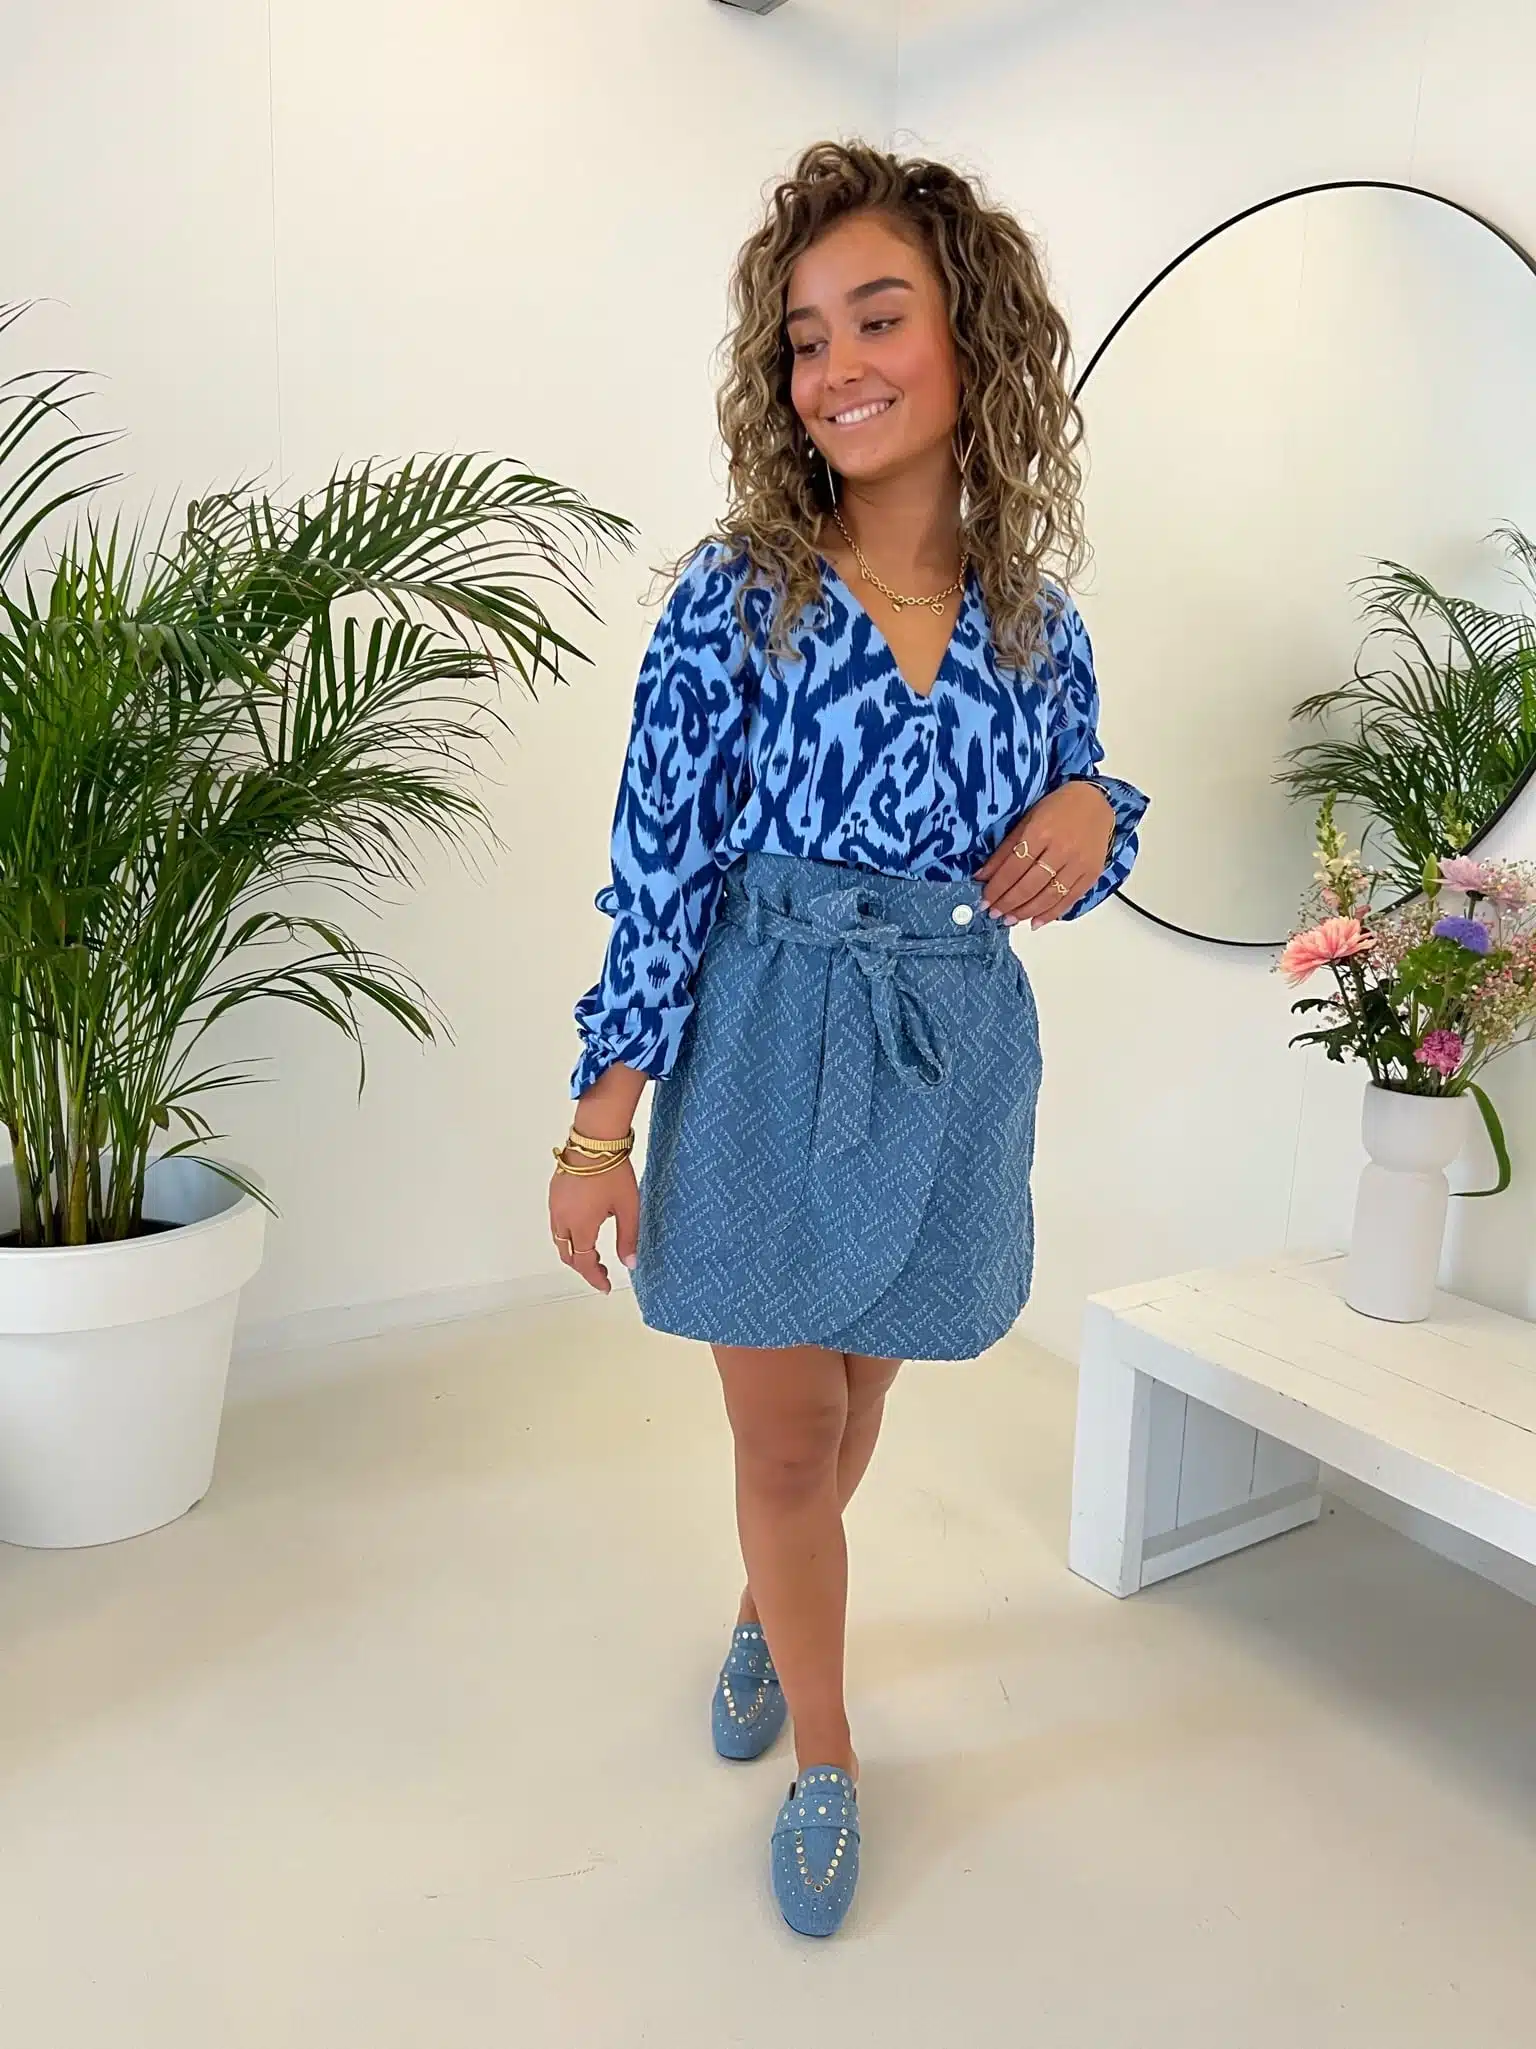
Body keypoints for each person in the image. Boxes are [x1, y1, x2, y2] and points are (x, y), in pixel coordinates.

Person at [548, 139, 1148, 1938]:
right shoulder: (738, 598)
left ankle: (767, 1607)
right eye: (805, 339)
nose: (837, 369)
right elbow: (660, 871)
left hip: (951, 1045)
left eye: (877, 319)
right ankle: (828, 1749)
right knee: (789, 1435)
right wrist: (599, 1130)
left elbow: (1067, 841)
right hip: (763, 1037)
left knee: (867, 1382)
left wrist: (1101, 809)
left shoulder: (1039, 626)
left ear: (971, 339)